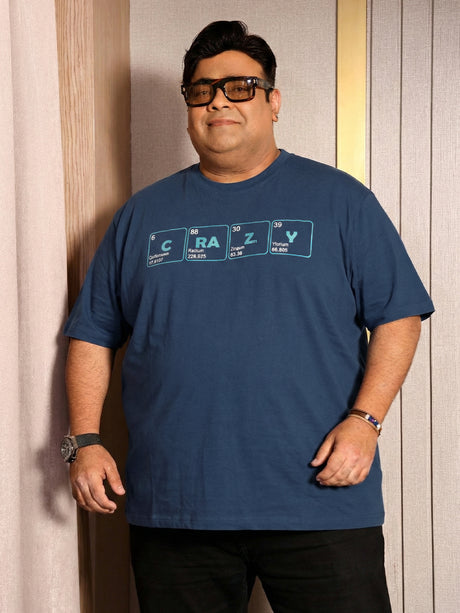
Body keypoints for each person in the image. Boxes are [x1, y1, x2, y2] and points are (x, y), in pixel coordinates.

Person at [61, 20, 434, 613]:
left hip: (319, 499)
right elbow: (91, 334)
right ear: (189, 108)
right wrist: (84, 441)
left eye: (240, 87)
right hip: (176, 509)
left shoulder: (341, 201)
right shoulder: (141, 216)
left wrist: (366, 421)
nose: (218, 102)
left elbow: (399, 316)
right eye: (201, 91)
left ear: (273, 102)